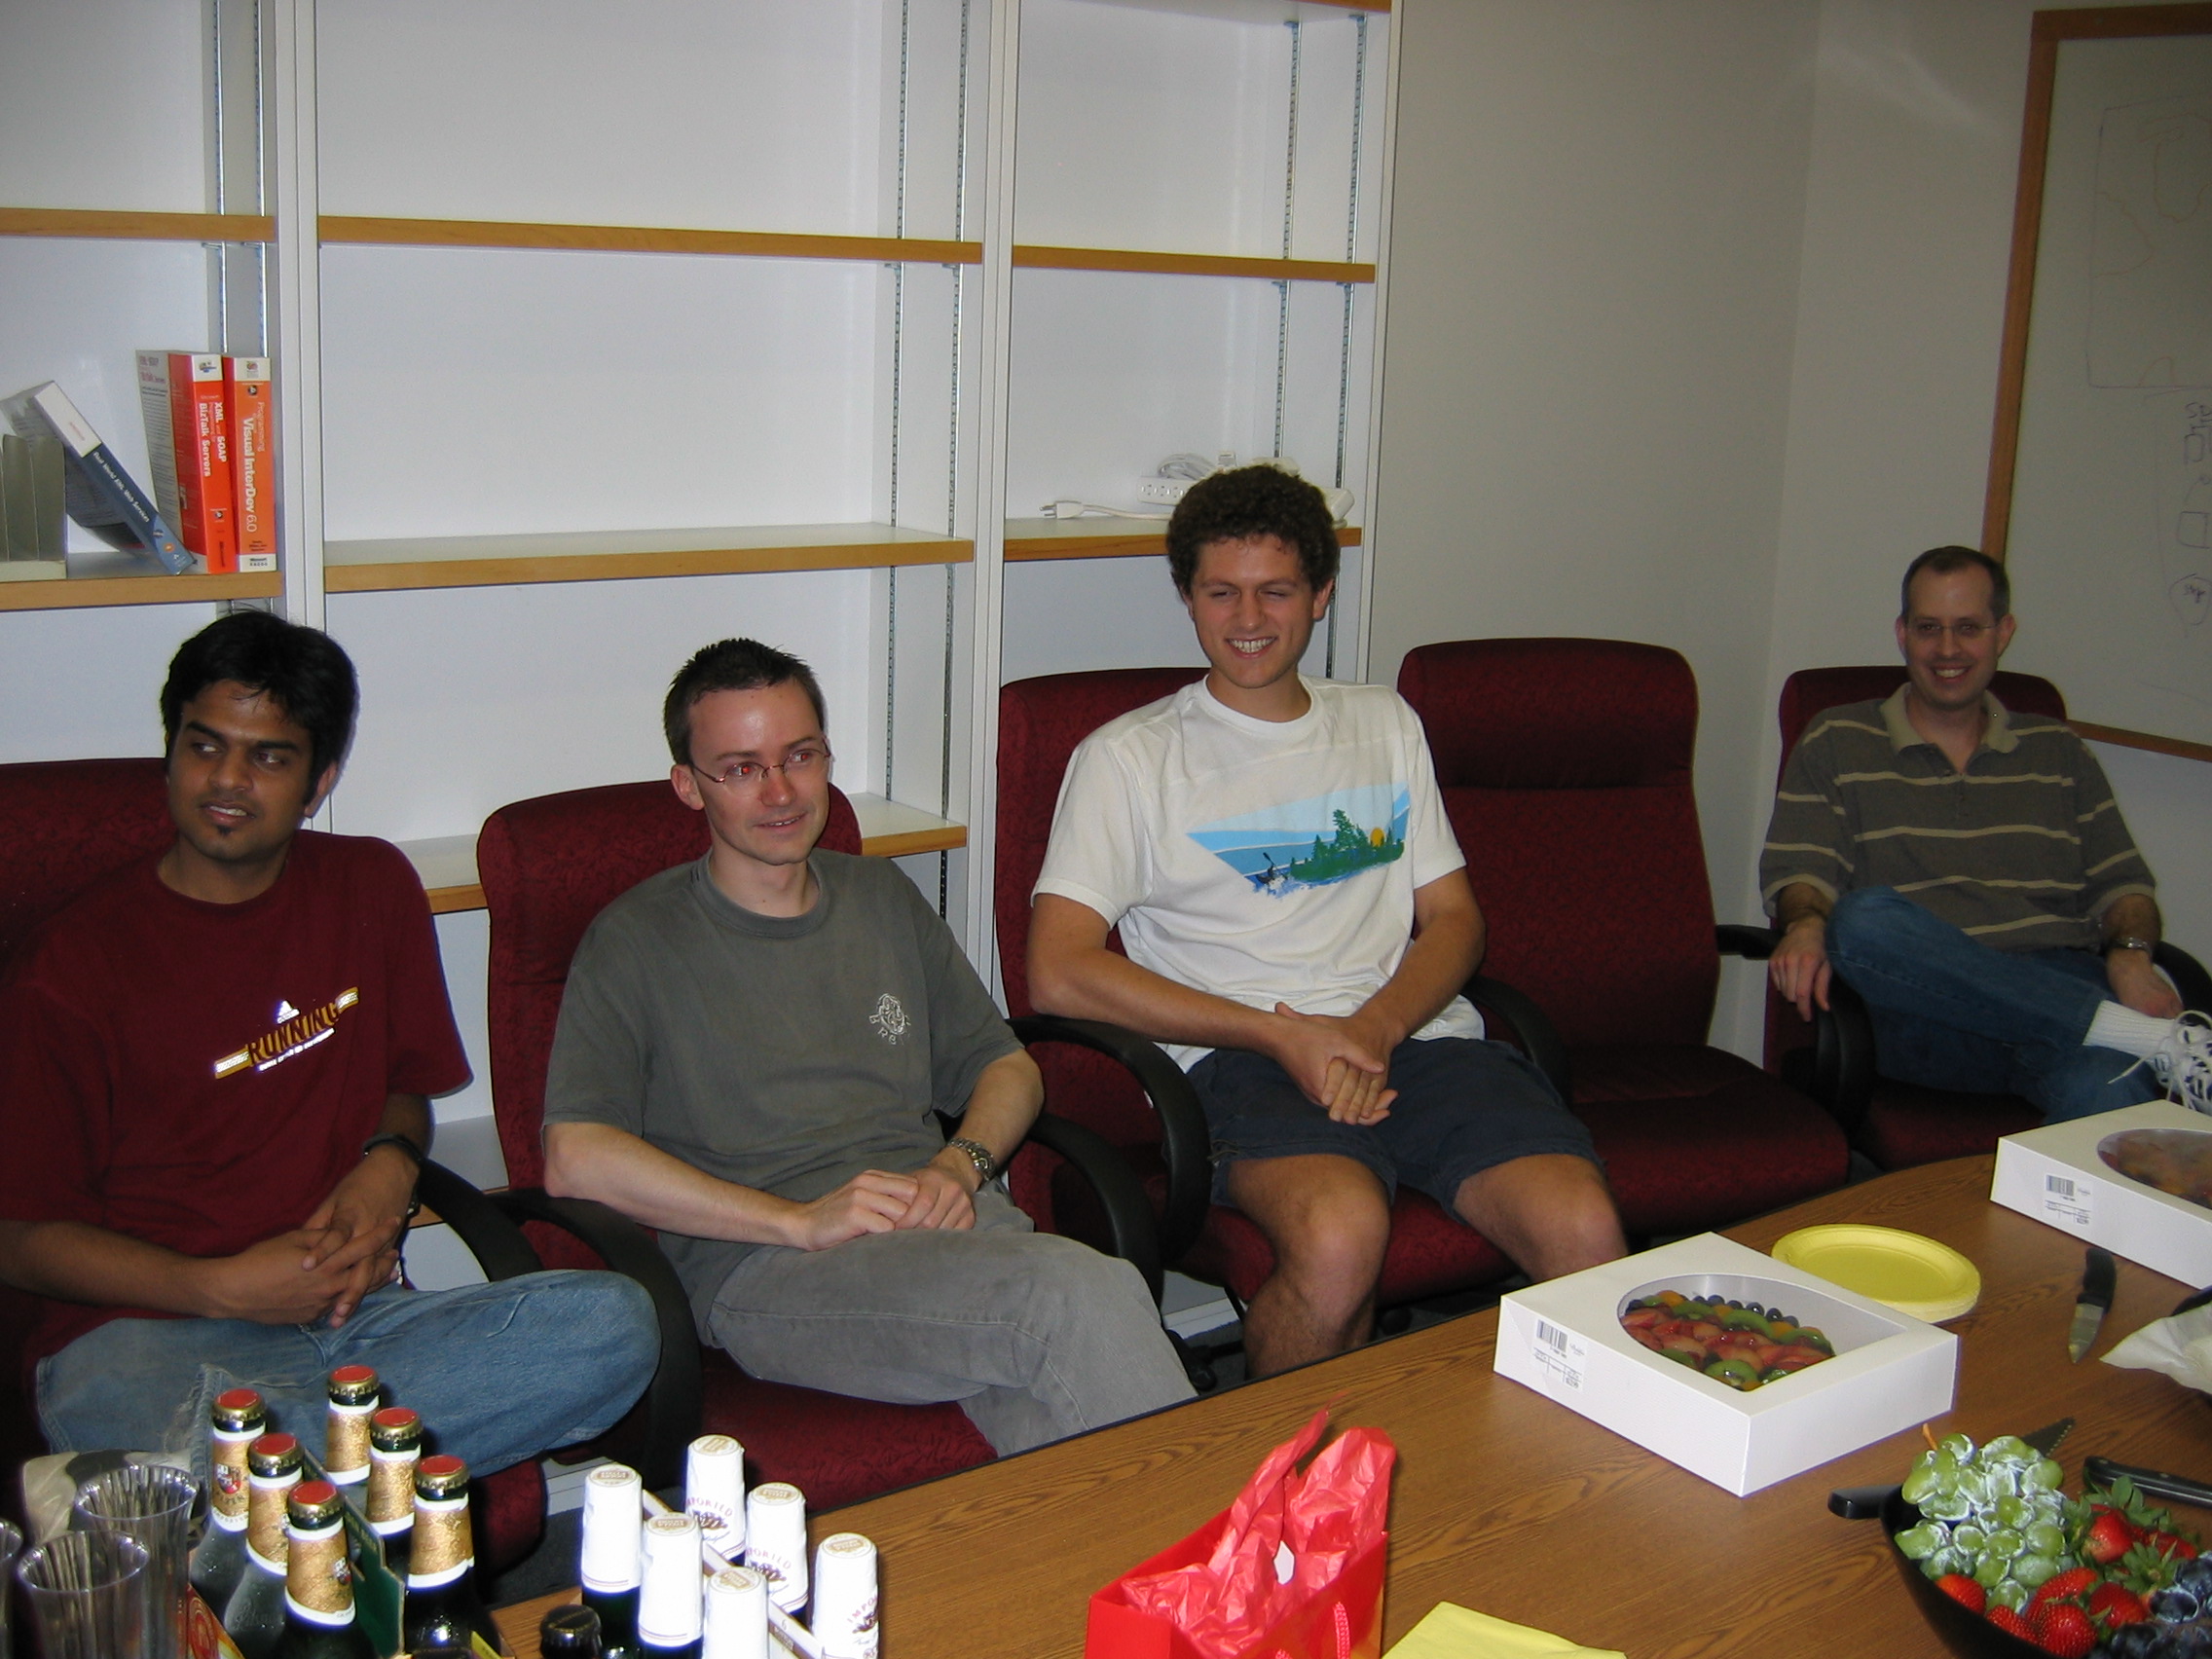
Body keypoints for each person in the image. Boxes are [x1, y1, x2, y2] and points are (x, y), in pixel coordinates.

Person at [0, 611, 658, 1479]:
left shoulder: (370, 887)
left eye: (269, 758)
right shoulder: (69, 966)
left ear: (319, 782)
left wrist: (390, 1165)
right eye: (204, 746)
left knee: (616, 1324)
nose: (226, 780)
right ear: (170, 752)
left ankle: (261, 1484)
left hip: (357, 1323)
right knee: (163, 1430)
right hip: (149, 1339)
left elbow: (403, 1088)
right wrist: (219, 1287)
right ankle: (299, 1479)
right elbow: (20, 1236)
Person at [1025, 464, 1626, 1379]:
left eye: (1276, 590)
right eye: (1220, 592)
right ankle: (1282, 1467)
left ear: (1321, 595)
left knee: (1585, 1229)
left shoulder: (1384, 723)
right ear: (1187, 597)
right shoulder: (1128, 759)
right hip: (1241, 1059)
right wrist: (1283, 1037)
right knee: (1341, 1235)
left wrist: (1373, 1030)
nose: (1248, 617)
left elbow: (1455, 920)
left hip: (1412, 1038)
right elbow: (1059, 970)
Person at [539, 638, 1192, 1456]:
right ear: (688, 786)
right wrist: (797, 1222)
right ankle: (1241, 1531)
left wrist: (960, 1166)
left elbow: (1005, 1066)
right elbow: (575, 1157)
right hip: (770, 1266)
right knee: (1074, 1297)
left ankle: (1149, 1538)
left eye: (799, 756)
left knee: (1051, 1406)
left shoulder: (882, 896)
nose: (780, 791)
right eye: (740, 769)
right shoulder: (636, 939)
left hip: (944, 1231)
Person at [1761, 545, 2210, 1121]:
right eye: (1929, 628)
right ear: (1902, 634)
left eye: (1969, 628)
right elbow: (1800, 871)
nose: (1947, 649)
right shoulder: (1837, 738)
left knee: (2106, 1094)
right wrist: (1804, 924)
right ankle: (2136, 1034)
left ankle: (2118, 1037)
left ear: (2003, 633)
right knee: (1861, 921)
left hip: (2059, 981)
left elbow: (2123, 887)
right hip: (1924, 1012)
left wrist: (2128, 955)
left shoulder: (2059, 751)